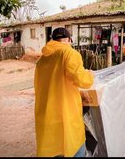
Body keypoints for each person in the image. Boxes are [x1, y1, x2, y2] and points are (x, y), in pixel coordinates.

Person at [34, 27, 94, 157]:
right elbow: (82, 80)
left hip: (47, 115)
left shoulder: (41, 60)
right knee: (73, 145)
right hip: (66, 113)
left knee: (52, 148)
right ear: (68, 39)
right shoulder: (69, 53)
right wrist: (89, 75)